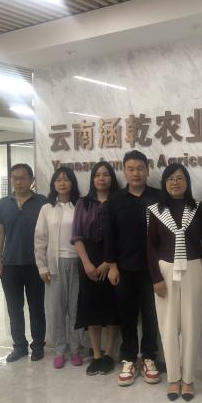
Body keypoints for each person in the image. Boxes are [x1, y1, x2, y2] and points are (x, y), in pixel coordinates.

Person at [146, 163, 202, 401]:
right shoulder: (155, 210)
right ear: (164, 183)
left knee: (192, 325)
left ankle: (188, 379)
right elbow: (150, 247)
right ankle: (173, 378)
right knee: (168, 326)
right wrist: (155, 279)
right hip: (165, 270)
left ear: (187, 182)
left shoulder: (199, 207)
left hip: (193, 269)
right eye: (170, 178)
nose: (175, 182)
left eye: (180, 178)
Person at [106, 150, 161, 386]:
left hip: (153, 270)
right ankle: (128, 358)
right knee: (127, 316)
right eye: (131, 169)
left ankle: (149, 358)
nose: (136, 173)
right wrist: (112, 266)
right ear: (124, 171)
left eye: (140, 168)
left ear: (147, 170)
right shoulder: (115, 200)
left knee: (151, 316)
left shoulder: (159, 197)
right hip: (124, 269)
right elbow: (110, 236)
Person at [0, 163, 47, 362]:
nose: (18, 182)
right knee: (14, 309)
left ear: (32, 180)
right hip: (10, 265)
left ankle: (38, 345)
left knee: (36, 308)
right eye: (14, 178)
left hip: (35, 265)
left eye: (22, 178)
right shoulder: (3, 203)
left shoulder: (43, 202)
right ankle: (19, 346)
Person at [71, 161, 121, 375]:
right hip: (88, 261)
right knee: (91, 308)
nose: (102, 178)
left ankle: (109, 354)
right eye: (98, 175)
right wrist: (87, 263)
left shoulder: (118, 201)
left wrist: (108, 262)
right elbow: (76, 236)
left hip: (114, 260)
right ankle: (97, 355)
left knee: (112, 308)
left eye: (106, 174)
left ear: (112, 178)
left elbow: (122, 235)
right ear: (92, 179)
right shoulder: (83, 203)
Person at [34, 167, 84, 369]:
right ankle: (60, 350)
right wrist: (42, 267)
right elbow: (40, 239)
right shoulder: (47, 209)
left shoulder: (79, 206)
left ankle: (76, 349)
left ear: (72, 183)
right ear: (53, 184)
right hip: (54, 266)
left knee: (76, 308)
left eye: (66, 179)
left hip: (77, 263)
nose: (62, 183)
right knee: (56, 310)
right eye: (58, 180)